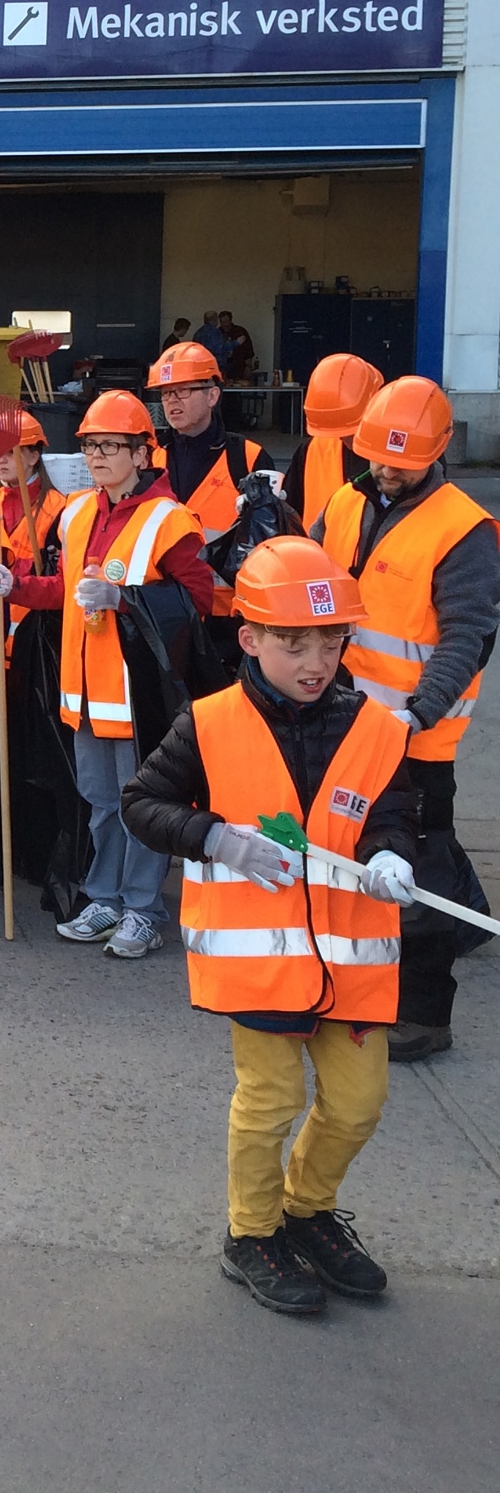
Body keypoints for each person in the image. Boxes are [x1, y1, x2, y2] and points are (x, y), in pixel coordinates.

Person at [121, 537, 418, 1314]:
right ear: (250, 639)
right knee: (270, 1101)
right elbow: (142, 805)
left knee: (357, 1105)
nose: (316, 662)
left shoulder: (377, 729)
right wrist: (215, 838)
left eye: (331, 642)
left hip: (350, 962)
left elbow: (392, 815)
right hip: (259, 963)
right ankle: (252, 1233)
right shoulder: (208, 723)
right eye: (294, 644)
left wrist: (392, 854)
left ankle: (307, 1212)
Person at [0, 390, 215, 959]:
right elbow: (63, 590)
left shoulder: (171, 521)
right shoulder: (78, 513)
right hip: (86, 693)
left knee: (142, 804)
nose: (98, 456)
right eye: (91, 446)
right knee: (100, 801)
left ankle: (143, 910)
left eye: (112, 446)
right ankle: (105, 897)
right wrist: (16, 587)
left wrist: (125, 599)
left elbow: (199, 603)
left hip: (139, 697)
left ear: (142, 453)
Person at [313, 376, 500, 1062]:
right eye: (378, 459)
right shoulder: (345, 501)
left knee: (417, 872)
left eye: (404, 463)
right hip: (346, 723)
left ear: (440, 451)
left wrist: (417, 715)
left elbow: (467, 637)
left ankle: (424, 1016)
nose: (388, 472)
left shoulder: (464, 531)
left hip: (416, 737)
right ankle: (358, 983)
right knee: (353, 855)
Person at [148, 340, 272, 616]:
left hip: (227, 614)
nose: (172, 401)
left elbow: (271, 543)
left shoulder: (247, 458)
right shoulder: (150, 457)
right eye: (166, 393)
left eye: (182, 390)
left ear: (212, 396)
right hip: (164, 608)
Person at [0, 409, 66, 637]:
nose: (1, 459)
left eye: (10, 451)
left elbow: (61, 586)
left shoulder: (59, 509)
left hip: (32, 636)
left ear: (34, 457)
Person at [282, 352, 381, 523]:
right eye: (334, 430)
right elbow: (289, 514)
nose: (342, 437)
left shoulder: (404, 462)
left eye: (351, 428)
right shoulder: (311, 451)